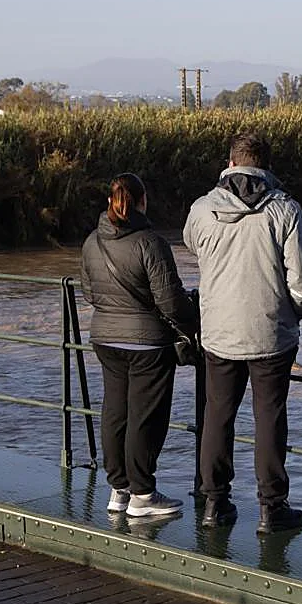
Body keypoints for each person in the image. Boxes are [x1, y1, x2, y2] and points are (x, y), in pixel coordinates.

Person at [184, 134, 302, 534]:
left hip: (219, 332)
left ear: (230, 163)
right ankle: (271, 509)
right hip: (271, 334)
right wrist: (293, 310)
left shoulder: (202, 209)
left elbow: (194, 246)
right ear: (266, 166)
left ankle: (214, 503)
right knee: (269, 419)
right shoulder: (285, 210)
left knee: (218, 416)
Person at [80, 173, 197, 517]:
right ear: (143, 201)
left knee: (115, 412)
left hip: (105, 338)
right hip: (147, 345)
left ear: (109, 202)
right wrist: (194, 325)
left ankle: (119, 490)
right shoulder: (150, 242)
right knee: (145, 417)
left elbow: (89, 292)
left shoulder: (91, 242)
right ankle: (143, 494)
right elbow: (171, 301)